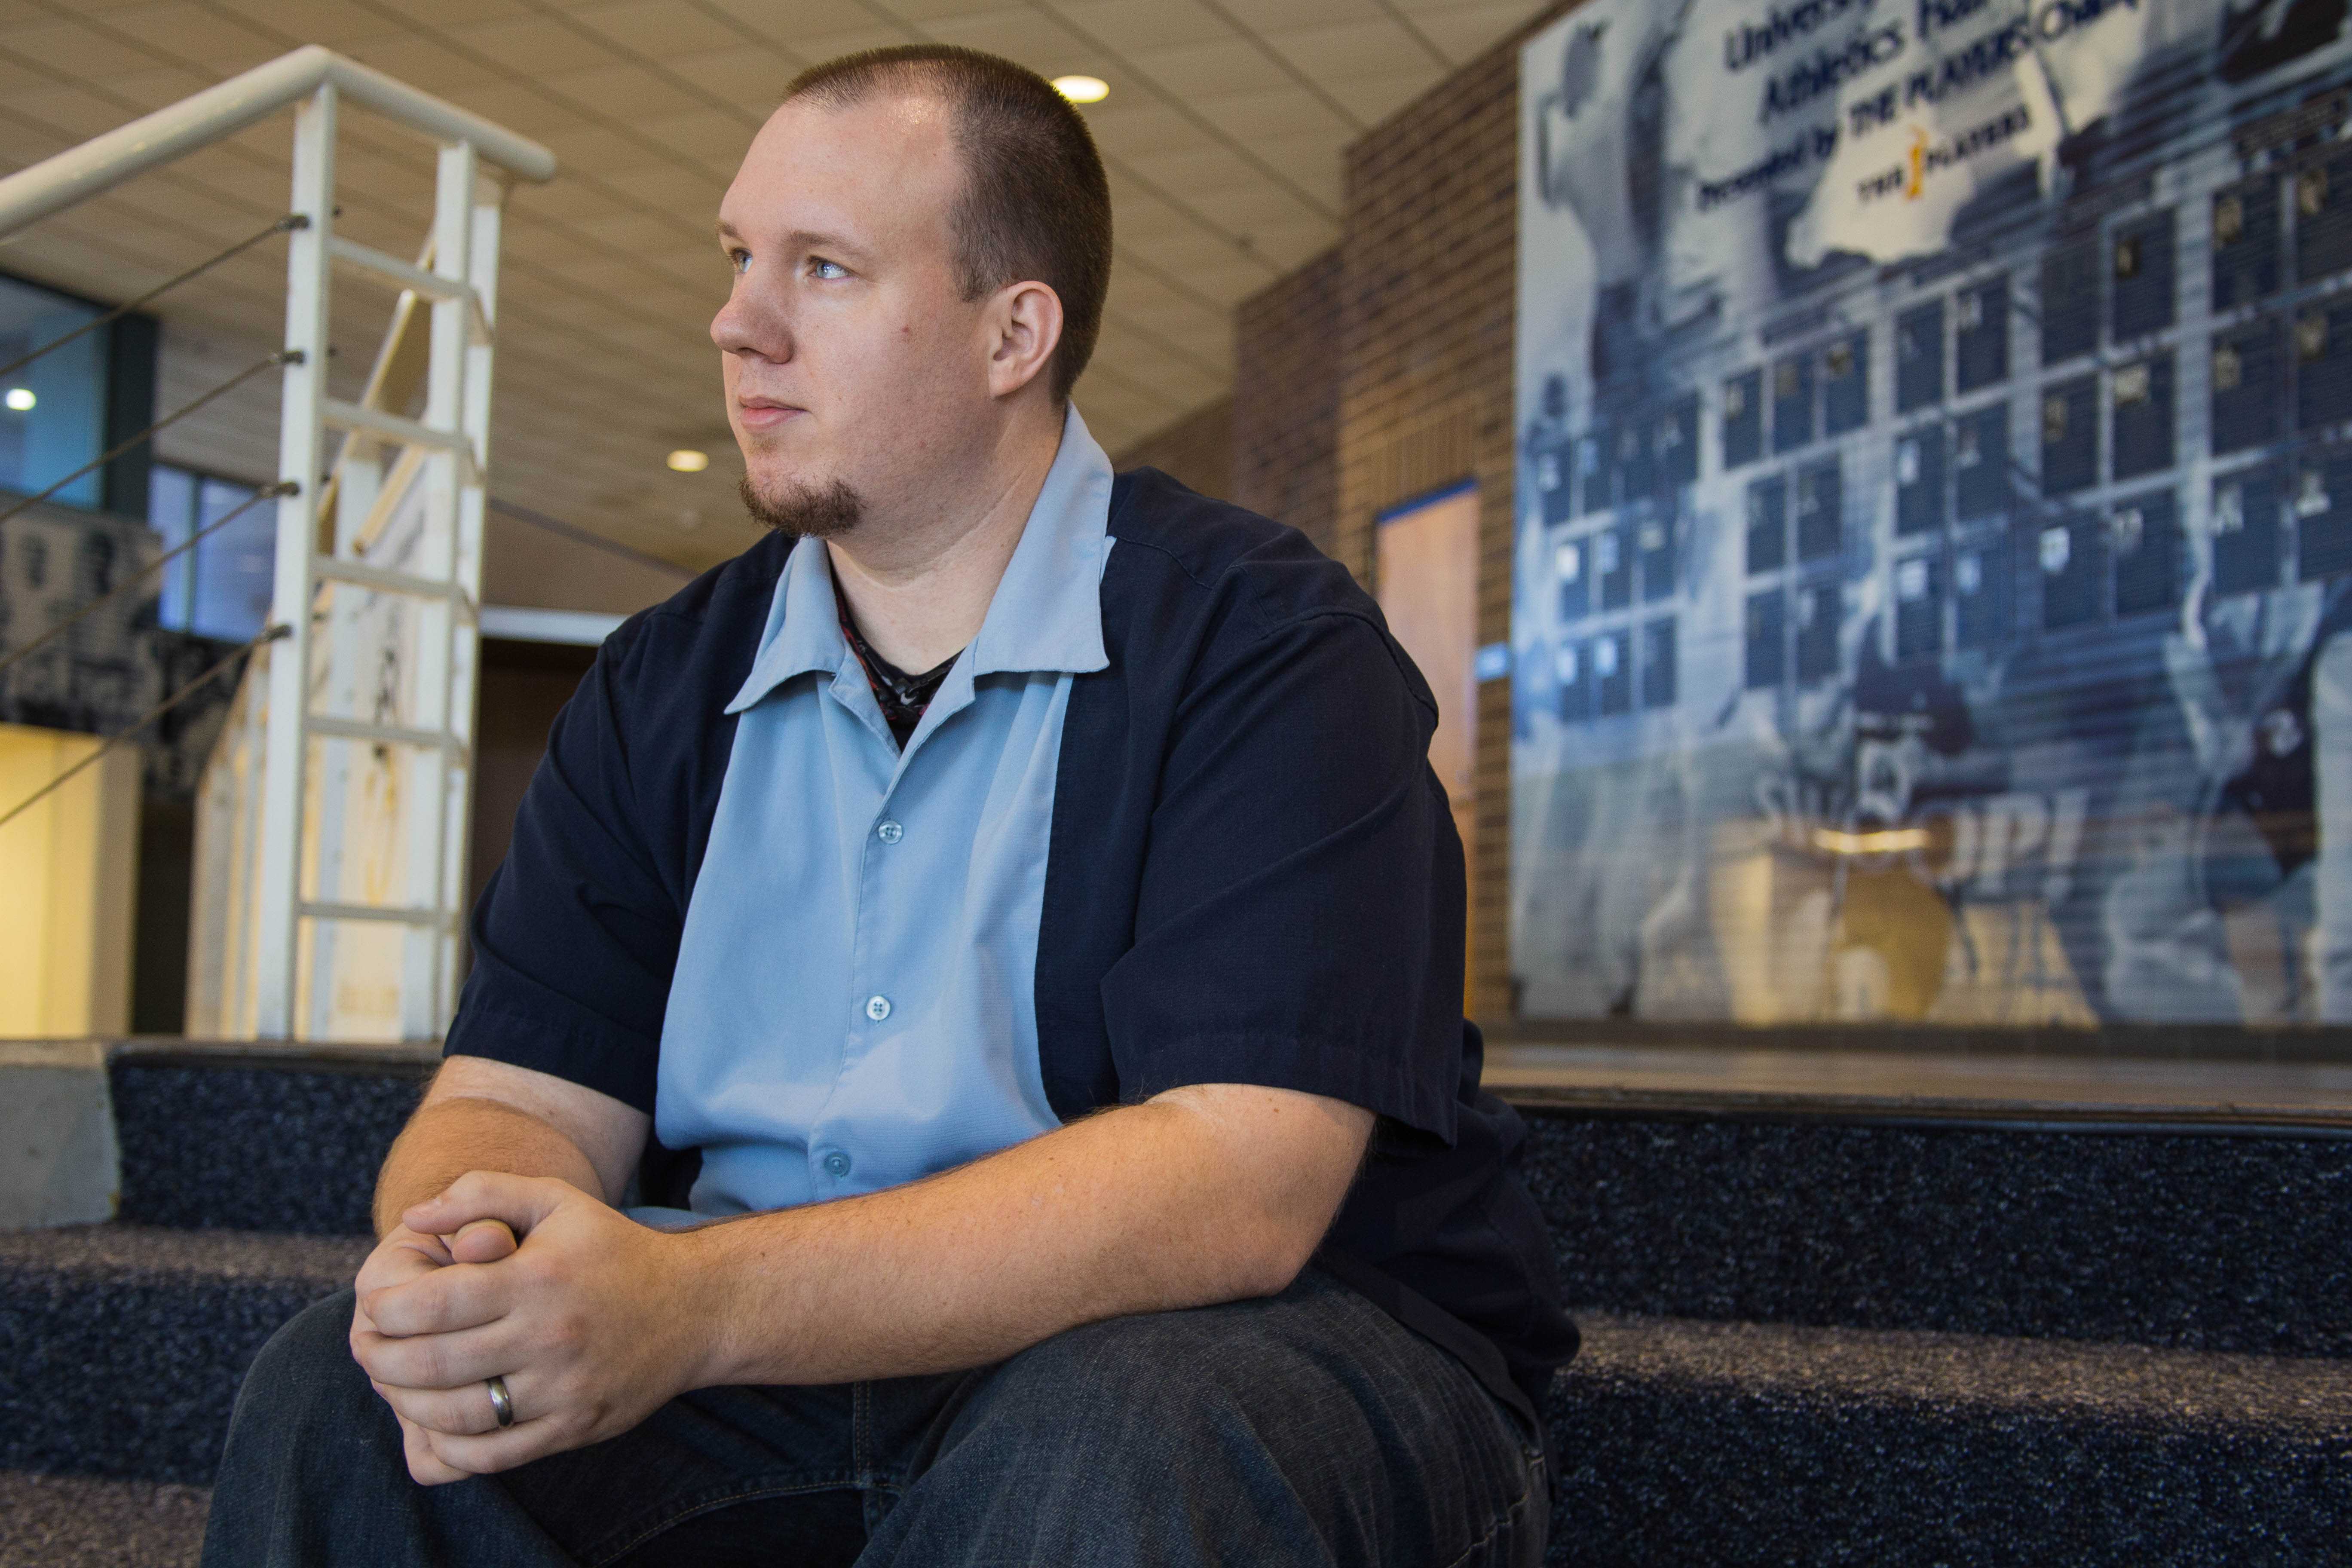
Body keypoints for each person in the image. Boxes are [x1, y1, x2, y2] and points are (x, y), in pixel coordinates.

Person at [202, 44, 1574, 1568]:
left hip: (1230, 1347)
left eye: (824, 267)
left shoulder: (1265, 649)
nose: (738, 321)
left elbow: (1234, 1187)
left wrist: (693, 1305)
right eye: (738, 258)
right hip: (766, 1362)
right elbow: (517, 1100)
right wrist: (488, 1258)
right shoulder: (661, 685)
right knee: (340, 1400)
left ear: (1013, 333)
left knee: (1112, 1443)